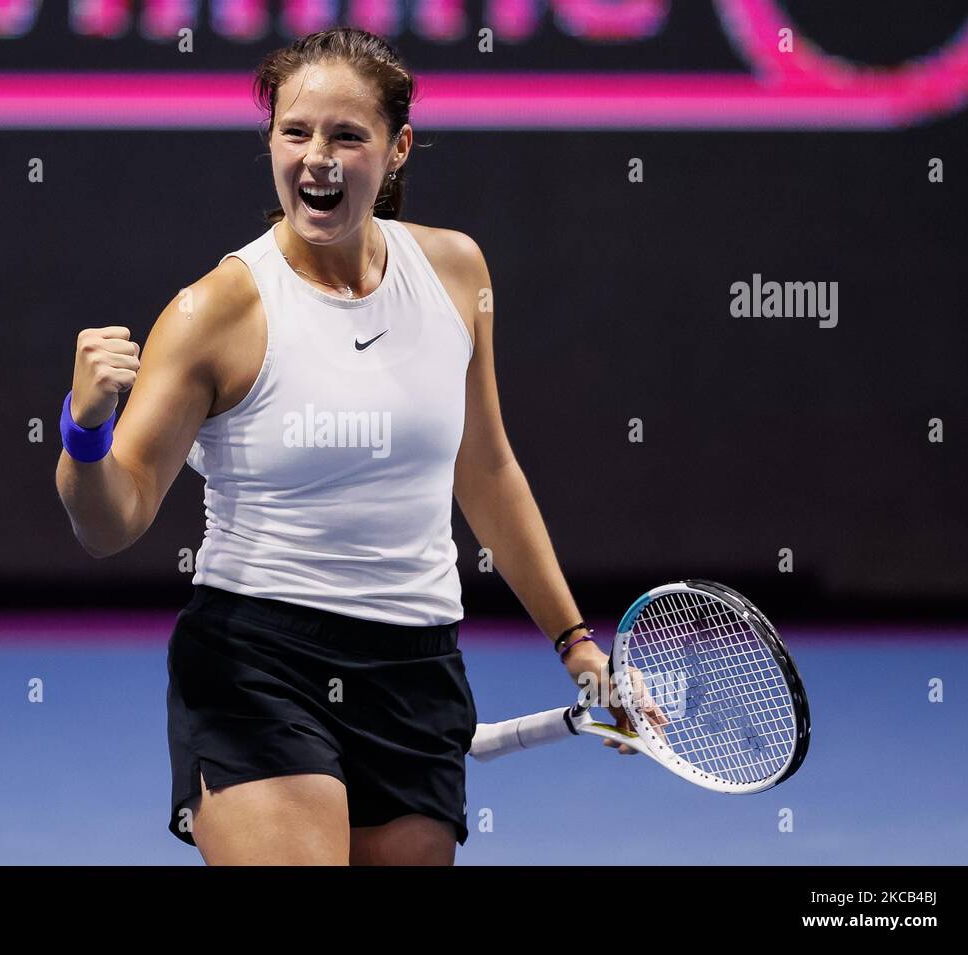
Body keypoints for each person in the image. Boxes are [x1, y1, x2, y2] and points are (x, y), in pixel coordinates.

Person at [55, 27, 634, 866]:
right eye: (295, 133)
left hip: (417, 667)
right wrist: (83, 431)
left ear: (396, 149)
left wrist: (578, 644)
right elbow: (110, 522)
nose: (315, 158)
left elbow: (488, 470)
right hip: (258, 661)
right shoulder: (214, 312)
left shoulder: (456, 273)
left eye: (345, 135)